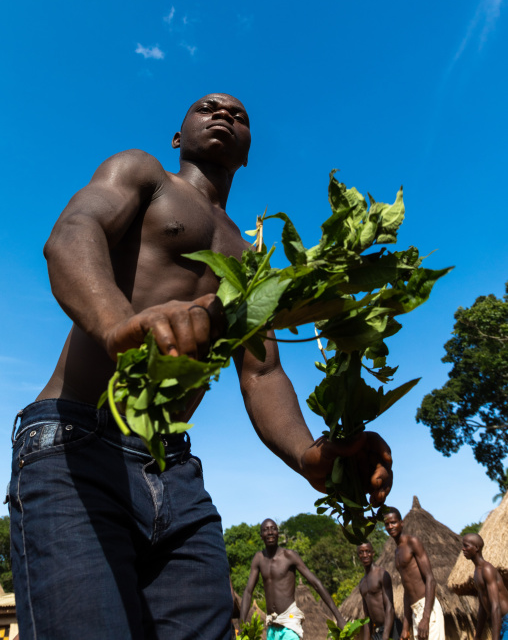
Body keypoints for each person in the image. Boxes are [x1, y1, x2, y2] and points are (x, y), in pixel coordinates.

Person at [9, 93, 393, 640]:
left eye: (239, 116)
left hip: (174, 473)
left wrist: (310, 456)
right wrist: (119, 323)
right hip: (76, 443)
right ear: (177, 134)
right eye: (207, 108)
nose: (224, 115)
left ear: (248, 152)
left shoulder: (250, 259)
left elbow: (262, 374)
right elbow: (72, 234)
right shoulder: (143, 174)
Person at [240, 518, 345, 638]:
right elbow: (248, 591)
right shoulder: (259, 558)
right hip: (272, 625)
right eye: (266, 530)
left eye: (273, 529)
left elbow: (316, 583)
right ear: (261, 536)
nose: (270, 532)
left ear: (278, 533)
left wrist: (339, 617)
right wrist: (242, 624)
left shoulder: (289, 556)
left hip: (289, 622)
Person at [383, 507, 444, 640]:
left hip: (427, 607)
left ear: (401, 523)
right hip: (415, 611)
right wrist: (406, 627)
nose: (390, 526)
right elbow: (407, 590)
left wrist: (426, 617)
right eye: (387, 524)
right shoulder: (397, 552)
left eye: (393, 522)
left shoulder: (412, 542)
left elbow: (430, 579)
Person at [462, 532, 508, 640]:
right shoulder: (477, 572)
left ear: (476, 548)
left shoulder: (487, 569)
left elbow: (495, 606)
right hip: (500, 621)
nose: (463, 549)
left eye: (466, 546)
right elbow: (483, 607)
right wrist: (477, 635)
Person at [357, 541, 400, 640]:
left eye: (367, 551)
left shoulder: (381, 574)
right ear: (358, 555)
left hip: (391, 628)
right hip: (378, 631)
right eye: (361, 552)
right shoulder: (362, 583)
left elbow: (389, 607)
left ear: (373, 553)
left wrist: (385, 636)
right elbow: (367, 616)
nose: (365, 555)